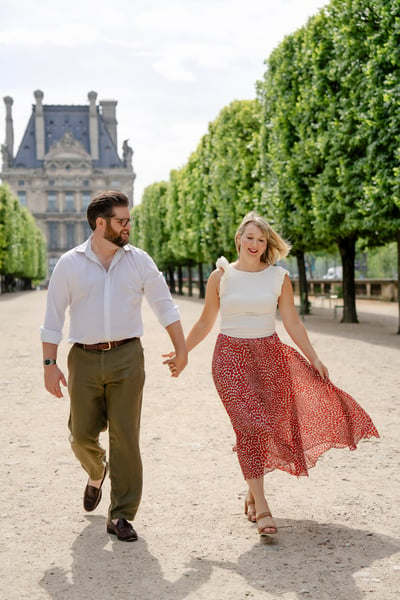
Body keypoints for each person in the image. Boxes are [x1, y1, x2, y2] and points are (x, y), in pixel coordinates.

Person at [174, 211, 379, 536]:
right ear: (239, 238)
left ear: (266, 244)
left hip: (269, 357)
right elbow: (204, 322)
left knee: (266, 429)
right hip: (229, 357)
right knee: (250, 426)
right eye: (250, 237)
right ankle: (265, 506)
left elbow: (293, 323)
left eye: (261, 239)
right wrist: (182, 352)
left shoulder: (278, 277)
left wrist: (313, 357)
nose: (255, 244)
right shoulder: (221, 276)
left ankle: (252, 491)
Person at [41, 190, 187, 542]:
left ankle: (121, 514)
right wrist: (49, 363)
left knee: (126, 438)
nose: (128, 227)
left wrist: (181, 348)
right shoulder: (70, 264)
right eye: (122, 221)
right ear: (100, 223)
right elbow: (53, 317)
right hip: (84, 359)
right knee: (80, 436)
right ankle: (96, 471)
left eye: (129, 220)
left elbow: (165, 305)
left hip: (127, 357)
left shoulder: (139, 261)